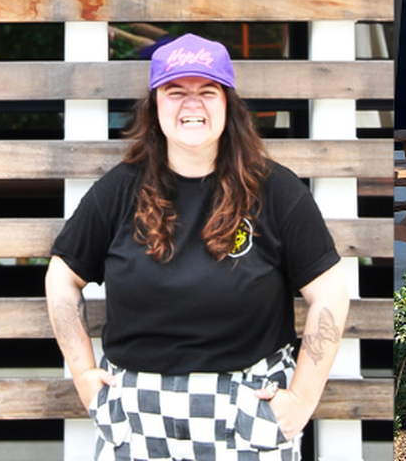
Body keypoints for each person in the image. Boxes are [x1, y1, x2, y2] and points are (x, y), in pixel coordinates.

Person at [44, 33, 349, 460]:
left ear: (228, 105)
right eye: (175, 92)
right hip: (137, 417)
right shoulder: (119, 190)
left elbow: (330, 292)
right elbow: (62, 278)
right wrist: (83, 376)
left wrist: (301, 399)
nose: (192, 104)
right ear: (155, 106)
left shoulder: (276, 190)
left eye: (207, 91)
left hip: (246, 413)